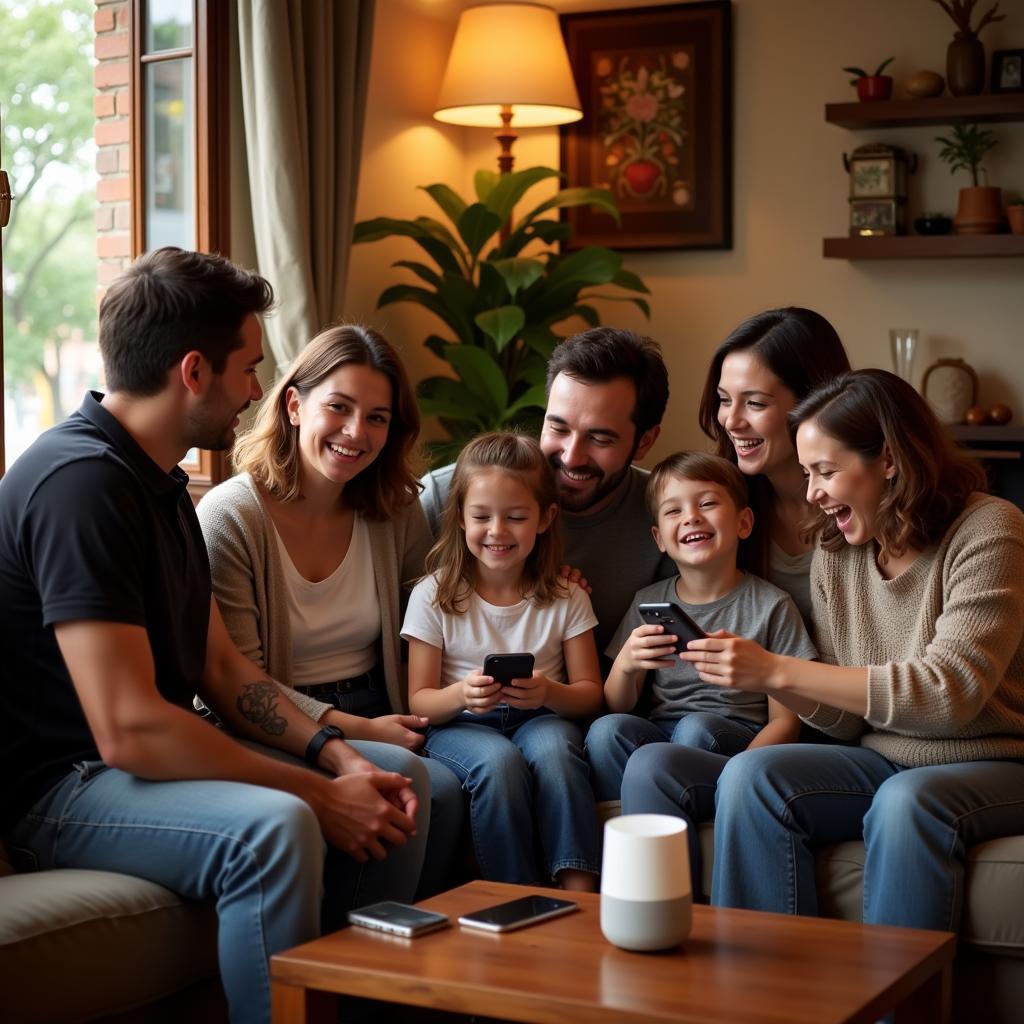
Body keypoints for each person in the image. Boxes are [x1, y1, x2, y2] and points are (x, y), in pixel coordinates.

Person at [0, 248, 431, 1024]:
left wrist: (341, 758)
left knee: (397, 774)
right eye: (248, 368)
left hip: (136, 767)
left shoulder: (161, 482)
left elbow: (224, 672)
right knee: (274, 830)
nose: (260, 391)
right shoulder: (80, 485)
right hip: (63, 788)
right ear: (194, 371)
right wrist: (320, 793)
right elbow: (128, 730)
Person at [631, 369, 1024, 933]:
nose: (811, 492)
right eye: (808, 472)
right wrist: (772, 680)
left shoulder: (989, 529)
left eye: (826, 471)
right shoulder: (837, 554)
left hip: (993, 760)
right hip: (882, 755)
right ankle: (763, 996)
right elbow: (842, 724)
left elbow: (949, 693)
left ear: (887, 460)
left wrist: (778, 667)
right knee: (752, 776)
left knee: (905, 801)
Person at [197, 324, 464, 897]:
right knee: (418, 784)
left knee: (468, 780)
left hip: (387, 704)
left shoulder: (396, 510)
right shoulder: (232, 518)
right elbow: (238, 685)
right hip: (282, 726)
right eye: (338, 408)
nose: (355, 432)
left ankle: (428, 959)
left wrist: (544, 586)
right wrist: (362, 730)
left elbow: (439, 616)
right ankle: (359, 966)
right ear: (294, 405)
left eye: (377, 417)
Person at [587, 452, 815, 891]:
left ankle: (679, 858)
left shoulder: (771, 606)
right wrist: (629, 665)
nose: (691, 517)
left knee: (695, 730)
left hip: (731, 737)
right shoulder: (647, 601)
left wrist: (739, 775)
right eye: (674, 510)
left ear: (744, 523)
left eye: (707, 503)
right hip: (659, 735)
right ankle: (642, 830)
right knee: (607, 731)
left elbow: (785, 722)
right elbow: (615, 704)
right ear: (659, 537)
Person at [403, 432, 603, 890]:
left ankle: (579, 888)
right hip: (459, 727)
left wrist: (550, 692)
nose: (497, 531)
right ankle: (514, 891)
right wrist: (462, 694)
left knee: (556, 753)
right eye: (481, 517)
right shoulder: (432, 595)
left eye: (515, 517)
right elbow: (421, 701)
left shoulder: (566, 596)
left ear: (545, 518)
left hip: (541, 718)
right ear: (459, 518)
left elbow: (591, 695)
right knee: (497, 762)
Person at [420, 327, 674, 655]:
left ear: (645, 442)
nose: (571, 456)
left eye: (600, 439)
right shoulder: (445, 495)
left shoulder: (669, 512)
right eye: (558, 427)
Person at [698, 307, 851, 622]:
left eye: (755, 403)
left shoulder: (863, 507)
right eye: (724, 400)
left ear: (815, 402)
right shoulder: (720, 505)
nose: (732, 421)